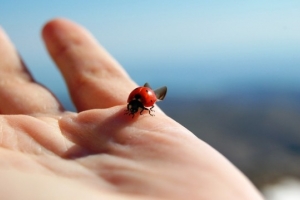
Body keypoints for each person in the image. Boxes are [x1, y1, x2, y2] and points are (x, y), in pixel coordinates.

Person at [0, 18, 264, 200]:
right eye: (136, 107)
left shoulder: (141, 101)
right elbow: (140, 101)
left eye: (136, 107)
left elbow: (140, 101)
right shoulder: (140, 102)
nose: (133, 110)